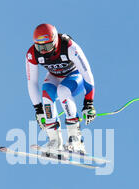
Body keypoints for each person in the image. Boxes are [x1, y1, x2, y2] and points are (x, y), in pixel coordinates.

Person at [26, 23, 96, 154]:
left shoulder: (69, 47)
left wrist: (89, 103)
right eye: (39, 47)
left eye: (47, 46)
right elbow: (32, 82)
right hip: (54, 76)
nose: (43, 51)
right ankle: (54, 140)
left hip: (74, 76)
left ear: (55, 41)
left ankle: (75, 138)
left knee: (63, 91)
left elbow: (87, 73)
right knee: (46, 92)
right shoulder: (32, 54)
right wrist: (38, 109)